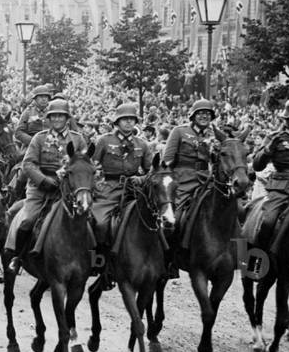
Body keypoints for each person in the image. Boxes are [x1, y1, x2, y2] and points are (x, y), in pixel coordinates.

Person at [4, 98, 87, 274]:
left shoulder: (78, 139)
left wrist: (70, 176)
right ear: (48, 118)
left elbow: (83, 164)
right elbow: (28, 164)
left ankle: (89, 260)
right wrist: (44, 180)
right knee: (27, 220)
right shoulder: (39, 138)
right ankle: (17, 257)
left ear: (67, 118)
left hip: (68, 189)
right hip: (40, 188)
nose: (57, 119)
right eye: (54, 116)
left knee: (87, 220)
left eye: (61, 116)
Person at [248, 98, 289, 246]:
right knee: (268, 221)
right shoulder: (273, 137)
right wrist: (268, 149)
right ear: (286, 118)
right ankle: (258, 259)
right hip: (281, 187)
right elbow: (257, 165)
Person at [92, 102, 153, 256]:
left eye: (132, 119)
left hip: (134, 190)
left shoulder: (142, 144)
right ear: (117, 121)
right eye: (124, 119)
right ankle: (101, 257)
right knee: (100, 223)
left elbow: (152, 171)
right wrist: (96, 184)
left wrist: (141, 180)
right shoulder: (104, 141)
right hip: (108, 189)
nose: (128, 122)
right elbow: (92, 167)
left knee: (154, 219)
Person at [162, 98, 227, 232]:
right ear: (193, 116)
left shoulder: (215, 135)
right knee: (176, 219)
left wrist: (216, 151)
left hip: (207, 180)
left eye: (208, 114)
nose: (204, 116)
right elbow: (167, 160)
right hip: (183, 180)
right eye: (200, 113)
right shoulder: (179, 131)